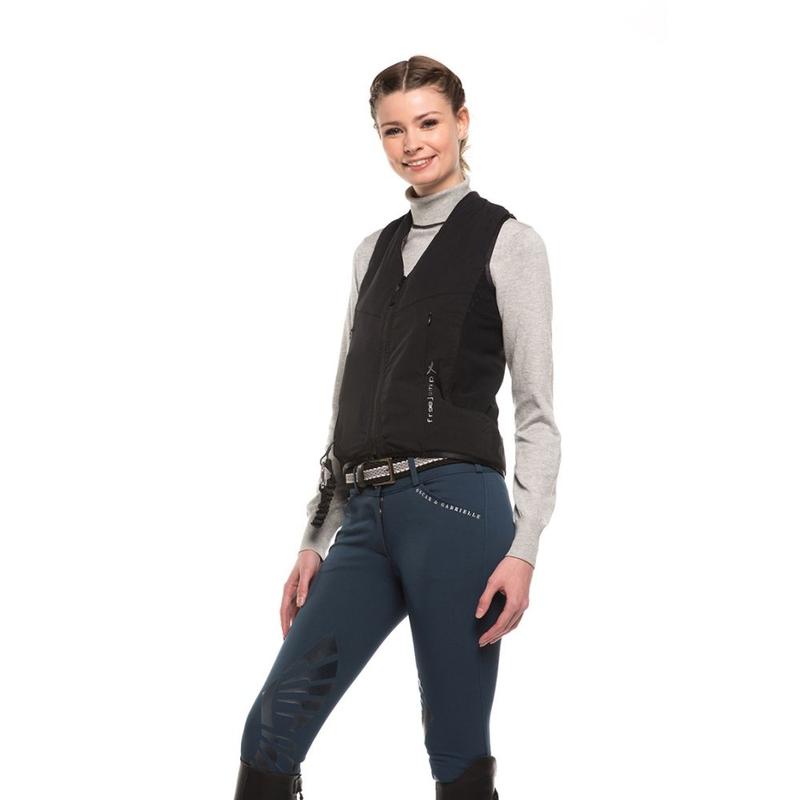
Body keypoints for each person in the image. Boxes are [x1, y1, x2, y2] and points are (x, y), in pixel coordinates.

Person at [232, 55, 561, 800]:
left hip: (457, 511)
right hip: (364, 516)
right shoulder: (371, 252)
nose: (412, 143)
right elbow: (346, 406)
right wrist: (315, 537)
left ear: (461, 123)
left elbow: (538, 413)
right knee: (271, 732)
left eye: (428, 122)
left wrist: (524, 549)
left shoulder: (509, 242)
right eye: (392, 129)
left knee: (455, 748)